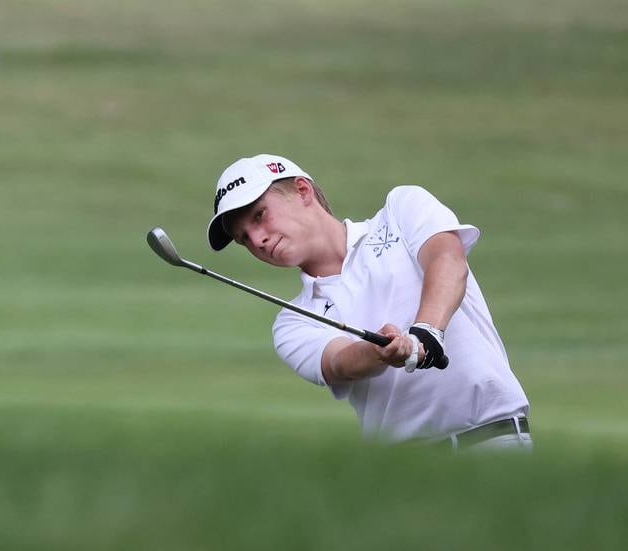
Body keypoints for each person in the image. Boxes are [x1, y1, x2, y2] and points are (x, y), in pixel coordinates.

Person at [206, 154, 531, 450]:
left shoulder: (401, 210)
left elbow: (447, 260)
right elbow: (339, 364)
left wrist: (426, 333)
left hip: (495, 441)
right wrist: (378, 352)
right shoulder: (293, 321)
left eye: (260, 216)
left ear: (303, 190)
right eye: (243, 238)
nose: (257, 240)